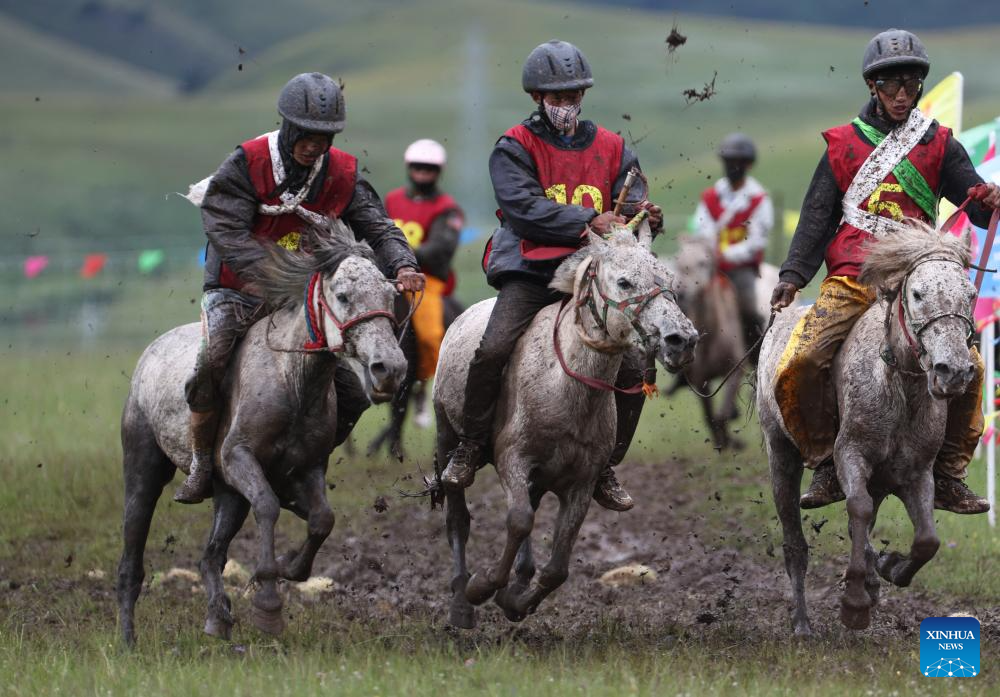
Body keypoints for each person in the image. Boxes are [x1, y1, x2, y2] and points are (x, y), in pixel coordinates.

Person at [770, 29, 1000, 514]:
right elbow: (816, 217)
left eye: (911, 85)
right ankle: (826, 459)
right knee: (804, 359)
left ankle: (948, 473)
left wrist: (990, 199)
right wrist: (792, 275)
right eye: (892, 85)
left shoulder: (939, 143)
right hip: (855, 276)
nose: (902, 95)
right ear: (873, 87)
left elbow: (976, 205)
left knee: (972, 366)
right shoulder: (842, 145)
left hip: (921, 279)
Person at [175, 72, 425, 504]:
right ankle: (201, 462)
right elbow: (224, 229)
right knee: (213, 359)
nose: (315, 144)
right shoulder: (246, 163)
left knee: (352, 396)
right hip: (237, 288)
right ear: (287, 125)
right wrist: (275, 275)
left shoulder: (342, 172)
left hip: (301, 300)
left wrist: (403, 263)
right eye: (307, 134)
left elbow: (378, 227)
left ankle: (299, 465)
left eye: (325, 136)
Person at [439, 40, 664, 512]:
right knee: (494, 346)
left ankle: (603, 464)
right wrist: (588, 220)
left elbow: (630, 202)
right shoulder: (513, 147)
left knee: (636, 366)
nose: (566, 105)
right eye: (557, 97)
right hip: (531, 268)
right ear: (537, 98)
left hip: (594, 276)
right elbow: (523, 209)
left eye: (573, 96)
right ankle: (471, 444)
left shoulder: (613, 146)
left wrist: (645, 218)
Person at [384, 139, 464, 385]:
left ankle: (425, 379)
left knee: (430, 335)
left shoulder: (448, 209)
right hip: (389, 275)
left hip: (425, 279)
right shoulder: (392, 200)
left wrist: (400, 253)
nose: (423, 173)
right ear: (409, 168)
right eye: (418, 167)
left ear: (438, 172)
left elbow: (441, 246)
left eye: (429, 169)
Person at [694, 133, 773, 363]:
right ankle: (686, 363)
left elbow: (756, 241)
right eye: (728, 162)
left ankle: (758, 358)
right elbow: (702, 228)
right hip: (711, 268)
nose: (731, 167)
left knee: (749, 309)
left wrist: (726, 254)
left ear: (748, 165)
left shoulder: (759, 199)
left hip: (741, 270)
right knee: (686, 299)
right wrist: (711, 251)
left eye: (737, 162)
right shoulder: (710, 197)